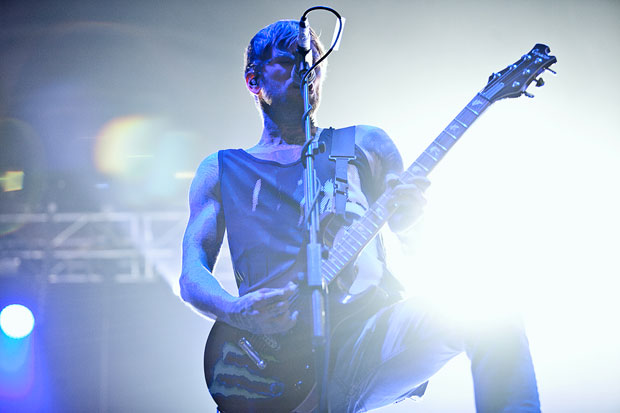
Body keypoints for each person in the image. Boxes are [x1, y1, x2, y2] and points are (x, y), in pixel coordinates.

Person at [179, 19, 540, 412]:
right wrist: (236, 312)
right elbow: (192, 273)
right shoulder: (220, 169)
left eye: (313, 62)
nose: (305, 70)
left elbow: (419, 247)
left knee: (491, 311)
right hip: (266, 365)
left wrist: (410, 222)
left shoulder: (365, 143)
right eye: (289, 61)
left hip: (365, 342)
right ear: (254, 80)